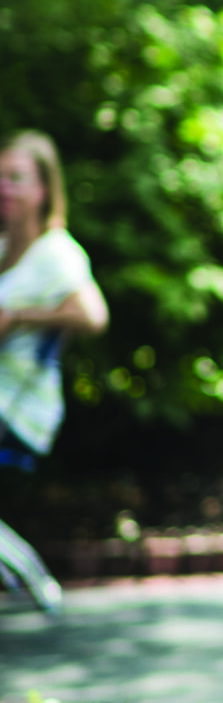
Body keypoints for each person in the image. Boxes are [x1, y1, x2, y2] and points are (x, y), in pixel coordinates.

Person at [0, 132, 108, 460]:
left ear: (43, 190)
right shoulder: (3, 245)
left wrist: (19, 318)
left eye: (16, 179)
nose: (5, 188)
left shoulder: (57, 252)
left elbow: (94, 316)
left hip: (17, 410)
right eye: (0, 178)